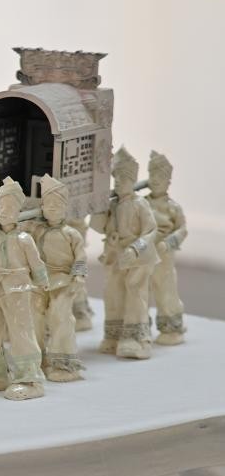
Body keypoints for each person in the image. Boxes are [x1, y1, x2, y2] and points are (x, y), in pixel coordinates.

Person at [0, 177, 48, 400]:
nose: (4, 212)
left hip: (18, 287)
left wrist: (42, 283)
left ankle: (30, 378)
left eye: (9, 207)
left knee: (20, 330)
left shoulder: (24, 239)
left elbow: (36, 264)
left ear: (18, 212)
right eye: (1, 207)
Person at [90, 146, 159, 359]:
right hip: (115, 255)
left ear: (132, 180)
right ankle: (114, 334)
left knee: (135, 293)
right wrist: (99, 205)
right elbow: (99, 227)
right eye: (116, 179)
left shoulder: (141, 204)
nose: (118, 183)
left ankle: (136, 338)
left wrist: (136, 248)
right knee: (113, 293)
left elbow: (151, 231)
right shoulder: (112, 205)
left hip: (137, 257)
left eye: (123, 179)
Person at [30, 175, 86, 382]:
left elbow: (81, 256)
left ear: (65, 208)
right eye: (48, 204)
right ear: (42, 207)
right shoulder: (36, 231)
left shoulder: (71, 234)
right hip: (40, 280)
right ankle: (35, 359)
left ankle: (63, 362)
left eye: (58, 204)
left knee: (60, 316)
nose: (53, 208)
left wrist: (78, 275)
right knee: (34, 316)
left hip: (63, 279)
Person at [146, 150, 187, 345]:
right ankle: (140, 329)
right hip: (144, 253)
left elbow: (182, 230)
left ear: (168, 181)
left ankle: (171, 328)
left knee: (166, 291)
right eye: (152, 175)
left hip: (164, 255)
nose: (155, 180)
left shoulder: (173, 207)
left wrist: (168, 242)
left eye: (160, 176)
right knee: (141, 291)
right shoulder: (142, 203)